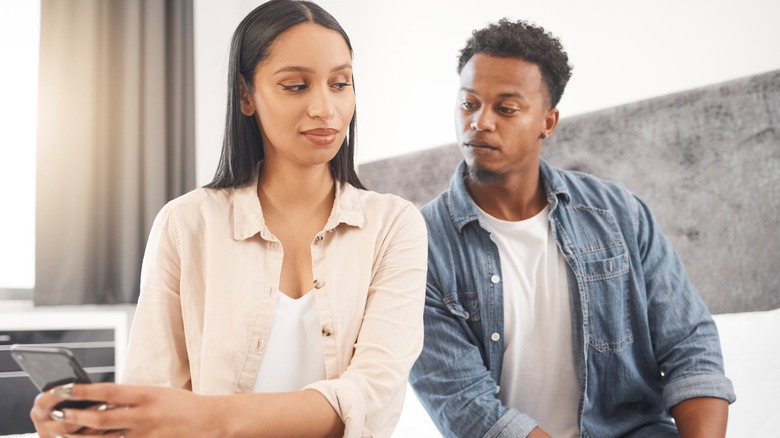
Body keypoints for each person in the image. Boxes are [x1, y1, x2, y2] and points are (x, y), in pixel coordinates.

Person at [30, 1, 427, 437]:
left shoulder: (395, 226)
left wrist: (205, 418)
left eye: (340, 83)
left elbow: (371, 395)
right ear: (245, 95)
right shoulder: (186, 225)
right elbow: (153, 394)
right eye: (296, 85)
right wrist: (95, 427)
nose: (325, 108)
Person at [408, 18, 735, 438]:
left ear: (549, 121)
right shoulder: (417, 247)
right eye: (469, 104)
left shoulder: (619, 213)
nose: (481, 122)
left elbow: (690, 345)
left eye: (506, 109)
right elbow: (466, 407)